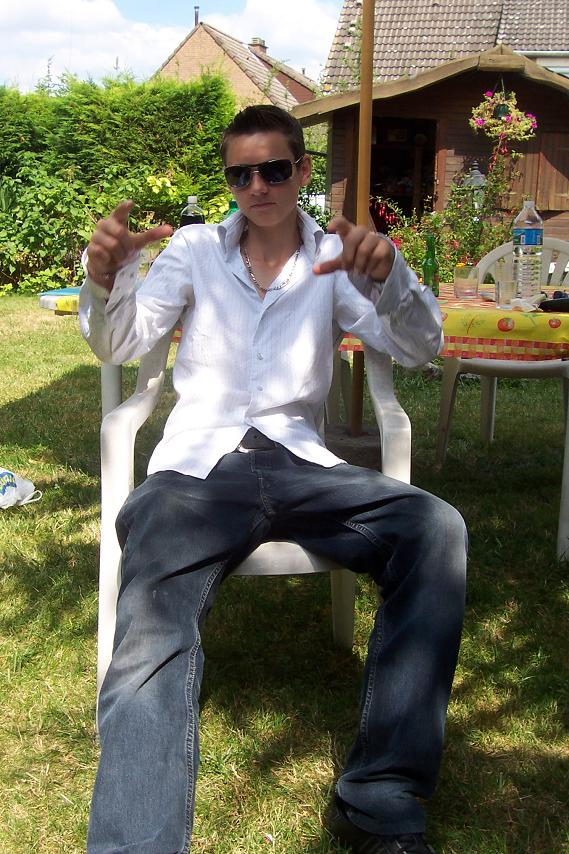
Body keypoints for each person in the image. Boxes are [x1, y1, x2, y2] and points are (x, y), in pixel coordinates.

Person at [80, 104, 467, 854]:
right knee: (154, 614)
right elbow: (121, 342)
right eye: (240, 174)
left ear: (302, 170)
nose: (257, 186)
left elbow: (421, 348)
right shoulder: (195, 249)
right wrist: (106, 280)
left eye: (274, 169)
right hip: (198, 469)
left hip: (300, 464)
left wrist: (391, 278)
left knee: (434, 528)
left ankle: (379, 799)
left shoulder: (333, 257)